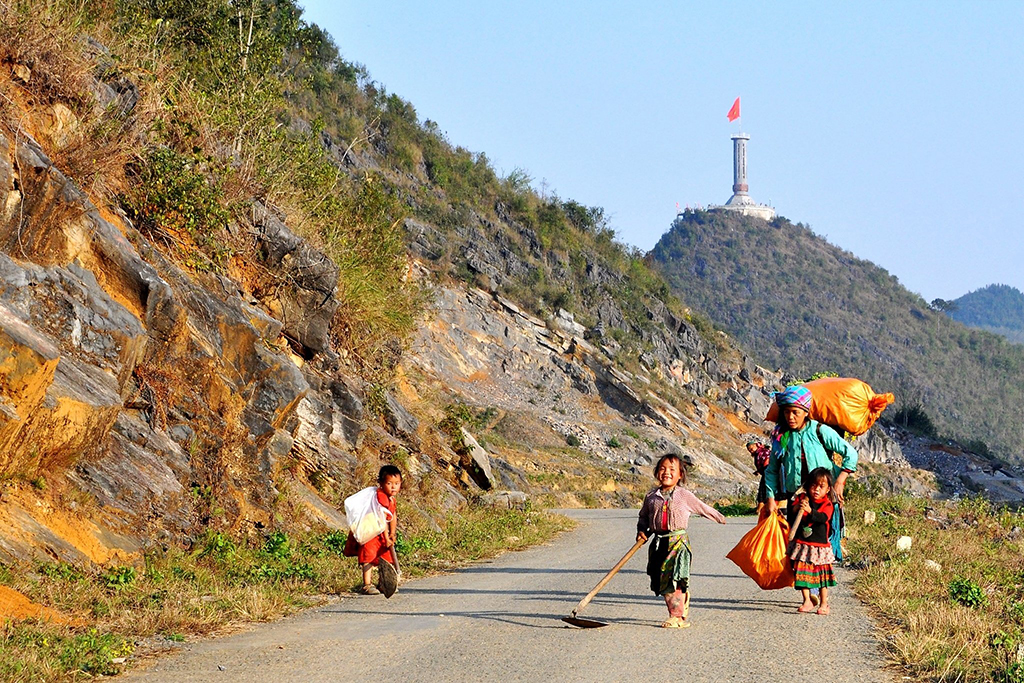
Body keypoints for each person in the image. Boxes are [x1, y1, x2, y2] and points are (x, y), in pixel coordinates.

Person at [636, 453, 727, 628]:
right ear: (656, 472)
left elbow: (702, 507)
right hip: (658, 543)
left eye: (672, 469)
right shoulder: (651, 497)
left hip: (677, 543)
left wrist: (719, 517)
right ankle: (680, 606)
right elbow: (643, 517)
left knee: (673, 578)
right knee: (661, 579)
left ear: (680, 475)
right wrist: (641, 530)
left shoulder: (684, 495)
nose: (666, 472)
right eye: (662, 468)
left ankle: (676, 616)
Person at [764, 385, 858, 520]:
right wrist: (771, 498)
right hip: (797, 498)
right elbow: (772, 470)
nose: (790, 417)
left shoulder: (820, 431)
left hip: (823, 498)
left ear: (806, 412)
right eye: (786, 412)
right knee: (796, 538)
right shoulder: (782, 437)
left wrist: (839, 481)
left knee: (822, 536)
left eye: (795, 412)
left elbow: (851, 453)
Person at [788, 468, 837, 615]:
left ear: (828, 489)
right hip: (803, 545)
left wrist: (810, 511)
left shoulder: (827, 504)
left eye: (821, 487)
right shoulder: (802, 499)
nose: (816, 489)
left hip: (819, 547)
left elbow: (823, 518)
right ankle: (807, 601)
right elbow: (791, 515)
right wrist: (797, 508)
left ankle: (824, 603)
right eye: (813, 485)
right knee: (802, 574)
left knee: (822, 577)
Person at [355, 465, 402, 595]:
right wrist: (387, 537)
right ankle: (367, 584)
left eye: (396, 483)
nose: (393, 487)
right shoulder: (380, 497)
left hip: (383, 532)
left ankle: (383, 583)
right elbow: (381, 519)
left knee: (385, 557)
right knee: (368, 556)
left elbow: (392, 517)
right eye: (389, 483)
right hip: (371, 532)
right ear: (381, 483)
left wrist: (392, 533)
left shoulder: (392, 499)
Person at [746, 440, 771, 505]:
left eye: (751, 448)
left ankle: (762, 506)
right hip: (765, 471)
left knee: (763, 489)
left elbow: (767, 460)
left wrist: (764, 470)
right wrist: (758, 471)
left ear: (755, 446)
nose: (750, 450)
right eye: (749, 450)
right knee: (763, 489)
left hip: (769, 472)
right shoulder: (757, 454)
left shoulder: (764, 451)